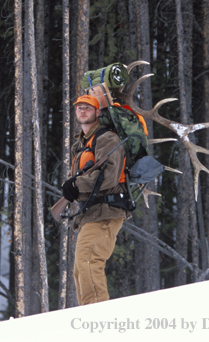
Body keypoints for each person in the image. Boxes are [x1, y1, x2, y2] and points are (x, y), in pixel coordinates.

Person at [62, 94, 129, 305]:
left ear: (97, 112)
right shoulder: (82, 143)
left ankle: (98, 319)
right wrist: (73, 187)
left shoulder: (107, 138)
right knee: (80, 268)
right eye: (79, 107)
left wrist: (76, 185)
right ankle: (87, 316)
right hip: (91, 213)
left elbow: (108, 177)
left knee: (89, 262)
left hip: (106, 211)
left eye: (88, 108)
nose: (83, 111)